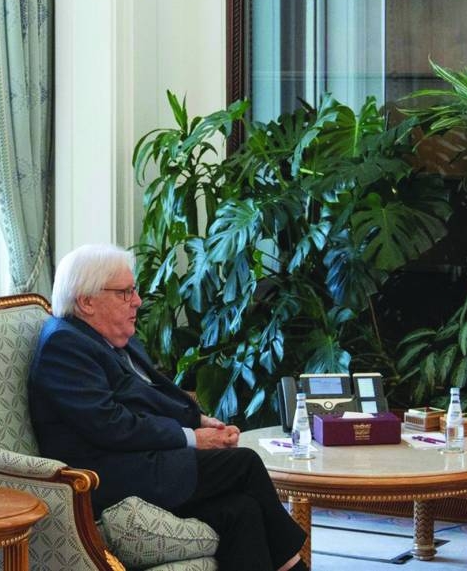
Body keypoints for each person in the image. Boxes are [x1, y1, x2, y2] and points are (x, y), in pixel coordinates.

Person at [28, 244, 307, 571]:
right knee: (243, 463)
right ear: (86, 301)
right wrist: (192, 437)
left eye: (134, 290)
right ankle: (295, 567)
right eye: (125, 292)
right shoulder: (64, 346)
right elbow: (111, 425)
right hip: (105, 477)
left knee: (241, 510)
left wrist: (200, 419)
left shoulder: (114, 336)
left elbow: (153, 394)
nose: (137, 301)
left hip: (138, 459)